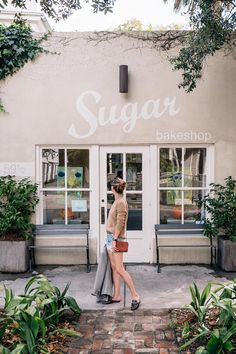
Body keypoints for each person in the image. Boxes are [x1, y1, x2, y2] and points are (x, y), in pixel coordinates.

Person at [104, 177, 140, 311]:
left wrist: (114, 239)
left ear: (113, 188)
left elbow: (120, 223)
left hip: (116, 239)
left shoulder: (121, 203)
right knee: (114, 267)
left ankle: (135, 295)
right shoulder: (117, 201)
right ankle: (117, 295)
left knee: (120, 269)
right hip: (110, 238)